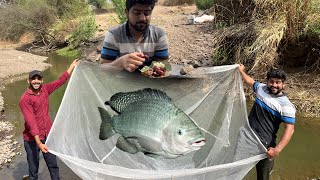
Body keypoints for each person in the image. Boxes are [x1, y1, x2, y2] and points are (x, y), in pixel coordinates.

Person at [19, 59, 79, 180]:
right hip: (32, 139)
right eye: (33, 79)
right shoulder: (25, 99)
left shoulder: (45, 89)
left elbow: (60, 81)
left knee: (53, 166)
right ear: (29, 81)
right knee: (33, 169)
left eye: (38, 79)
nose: (36, 81)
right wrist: (39, 143)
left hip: (48, 136)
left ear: (42, 80)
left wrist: (71, 66)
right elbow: (31, 123)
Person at [238, 64, 296, 180]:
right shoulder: (262, 89)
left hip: (265, 146)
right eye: (271, 81)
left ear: (283, 84)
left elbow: (290, 129)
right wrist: (241, 71)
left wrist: (277, 150)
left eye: (278, 82)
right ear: (267, 82)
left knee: (263, 177)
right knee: (235, 170)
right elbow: (250, 81)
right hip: (246, 138)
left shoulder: (287, 106)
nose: (274, 85)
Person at [100, 0, 169, 72]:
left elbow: (164, 65)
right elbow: (103, 68)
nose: (142, 18)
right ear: (127, 13)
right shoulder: (114, 35)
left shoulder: (159, 35)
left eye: (147, 13)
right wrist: (121, 62)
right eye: (137, 13)